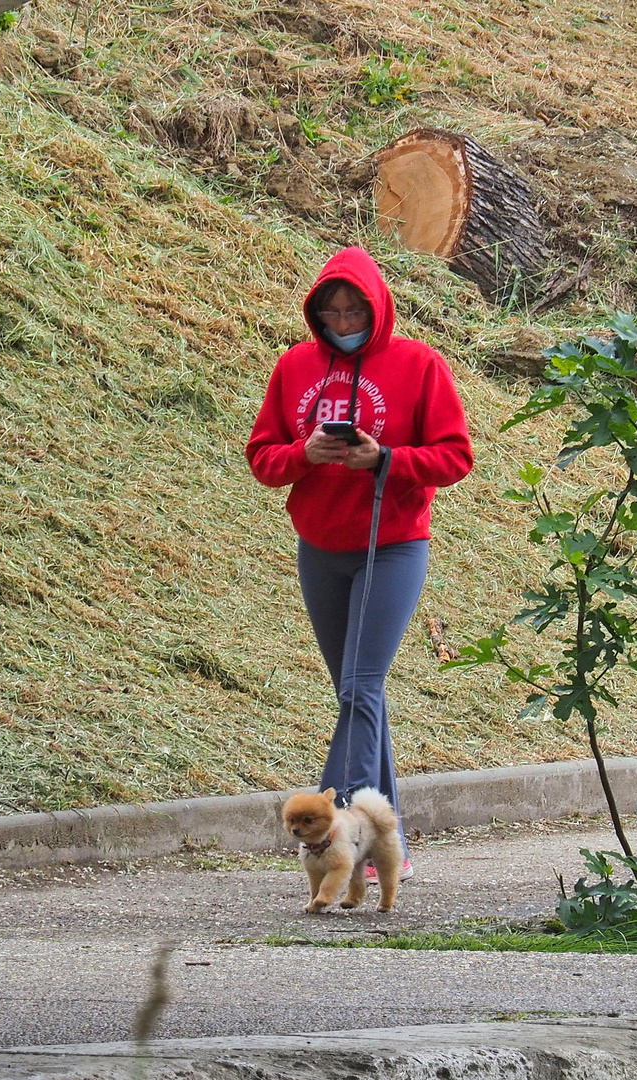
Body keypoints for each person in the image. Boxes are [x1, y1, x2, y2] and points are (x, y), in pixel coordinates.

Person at [246, 247, 473, 882]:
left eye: (355, 309)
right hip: (321, 548)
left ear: (377, 308)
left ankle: (338, 835)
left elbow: (455, 456)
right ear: (316, 315)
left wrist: (386, 460)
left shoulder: (419, 365)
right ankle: (386, 845)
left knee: (359, 687)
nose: (344, 320)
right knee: (358, 695)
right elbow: (263, 457)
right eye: (332, 311)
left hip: (393, 545)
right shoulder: (294, 366)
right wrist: (306, 453)